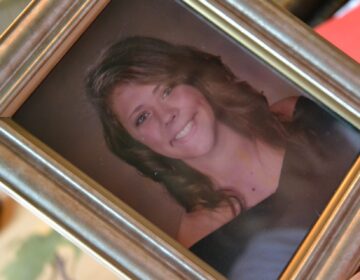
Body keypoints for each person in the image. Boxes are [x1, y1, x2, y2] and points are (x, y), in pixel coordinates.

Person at [85, 36, 359, 277]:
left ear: (195, 82)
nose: (166, 115)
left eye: (167, 90)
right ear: (136, 145)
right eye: (142, 117)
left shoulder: (301, 114)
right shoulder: (196, 252)